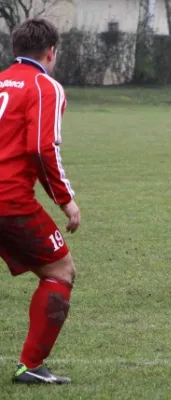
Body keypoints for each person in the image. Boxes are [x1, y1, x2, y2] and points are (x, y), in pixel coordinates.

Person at [0, 18, 80, 384]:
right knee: (59, 271)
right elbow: (40, 147)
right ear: (51, 52)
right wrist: (66, 200)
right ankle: (31, 365)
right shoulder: (45, 86)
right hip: (9, 200)